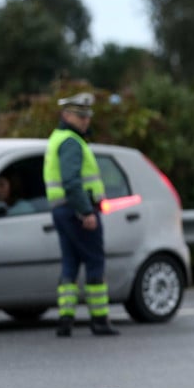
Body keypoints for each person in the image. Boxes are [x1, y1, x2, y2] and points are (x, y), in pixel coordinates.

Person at [43, 92, 119, 337]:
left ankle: (66, 318)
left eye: (87, 116)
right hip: (77, 210)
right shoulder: (71, 143)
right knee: (95, 261)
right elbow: (72, 182)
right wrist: (86, 211)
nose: (86, 120)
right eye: (80, 115)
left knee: (70, 264)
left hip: (62, 211)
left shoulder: (58, 138)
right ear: (66, 115)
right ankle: (99, 320)